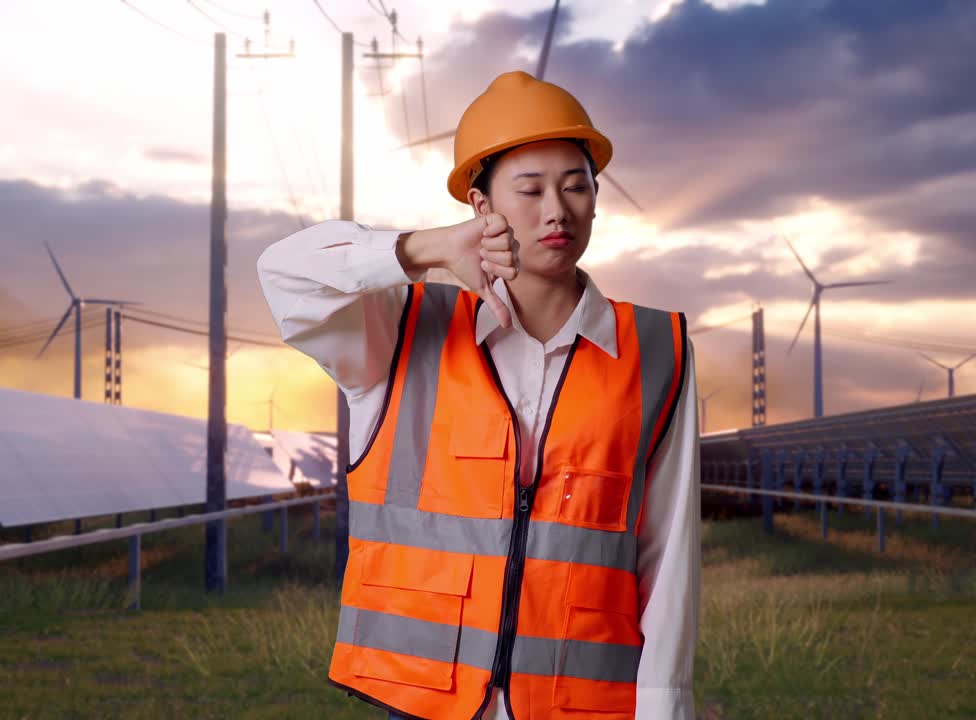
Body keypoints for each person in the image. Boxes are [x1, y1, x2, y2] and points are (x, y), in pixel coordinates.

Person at [257, 70, 699, 720]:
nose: (557, 210)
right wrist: (426, 250)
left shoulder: (657, 348)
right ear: (480, 204)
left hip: (582, 704)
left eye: (577, 187)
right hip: (419, 699)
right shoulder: (399, 330)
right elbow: (285, 274)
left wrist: (667, 711)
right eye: (530, 189)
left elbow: (667, 552)